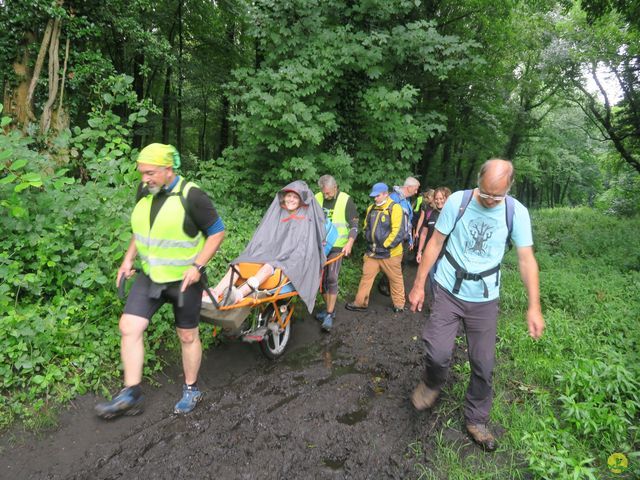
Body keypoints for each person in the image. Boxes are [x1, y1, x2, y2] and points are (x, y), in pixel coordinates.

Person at [408, 159, 545, 452]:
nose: (490, 200)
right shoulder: (458, 201)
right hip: (447, 288)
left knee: (483, 363)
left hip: (484, 299)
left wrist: (534, 306)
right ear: (478, 181)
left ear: (509, 188)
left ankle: (477, 418)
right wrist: (419, 284)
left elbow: (526, 259)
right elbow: (435, 242)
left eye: (497, 196)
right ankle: (432, 382)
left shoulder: (515, 212)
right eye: (485, 193)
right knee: (437, 351)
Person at [95, 143, 225, 419]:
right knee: (129, 326)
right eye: (142, 173)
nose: (145, 179)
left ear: (169, 169)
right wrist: (128, 259)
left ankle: (191, 389)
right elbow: (141, 229)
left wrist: (198, 265)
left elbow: (217, 232)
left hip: (184, 281)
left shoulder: (193, 196)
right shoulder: (146, 191)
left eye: (150, 173)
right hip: (150, 276)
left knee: (187, 335)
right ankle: (132, 394)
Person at [210, 180, 326, 313]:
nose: (291, 200)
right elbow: (266, 238)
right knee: (238, 264)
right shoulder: (278, 215)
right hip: (270, 255)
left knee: (267, 267)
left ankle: (238, 294)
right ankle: (214, 293)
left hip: (288, 262)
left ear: (301, 200)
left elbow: (301, 249)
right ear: (284, 196)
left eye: (295, 197)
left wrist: (281, 257)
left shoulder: (306, 221)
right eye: (289, 196)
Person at [346, 182, 406, 313]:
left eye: (377, 196)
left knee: (395, 279)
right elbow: (366, 226)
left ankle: (399, 306)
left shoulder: (395, 208)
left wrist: (385, 246)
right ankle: (360, 303)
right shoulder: (371, 208)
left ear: (386, 194)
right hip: (372, 253)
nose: (375, 198)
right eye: (373, 196)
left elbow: (398, 232)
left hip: (390, 254)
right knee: (366, 277)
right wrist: (369, 240)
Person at [314, 175, 358, 332]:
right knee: (320, 281)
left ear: (335, 187)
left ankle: (329, 314)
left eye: (328, 193)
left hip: (337, 246)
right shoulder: (316, 198)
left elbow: (354, 225)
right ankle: (328, 310)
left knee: (332, 277)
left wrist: (350, 243)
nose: (325, 196)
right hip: (319, 246)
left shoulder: (346, 200)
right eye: (323, 193)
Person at [378, 176, 420, 295]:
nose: (416, 192)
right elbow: (385, 218)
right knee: (393, 263)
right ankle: (383, 285)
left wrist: (411, 239)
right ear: (409, 187)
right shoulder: (393, 198)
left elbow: (409, 223)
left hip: (404, 239)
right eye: (416, 189)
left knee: (401, 264)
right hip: (395, 238)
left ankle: (390, 285)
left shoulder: (406, 201)